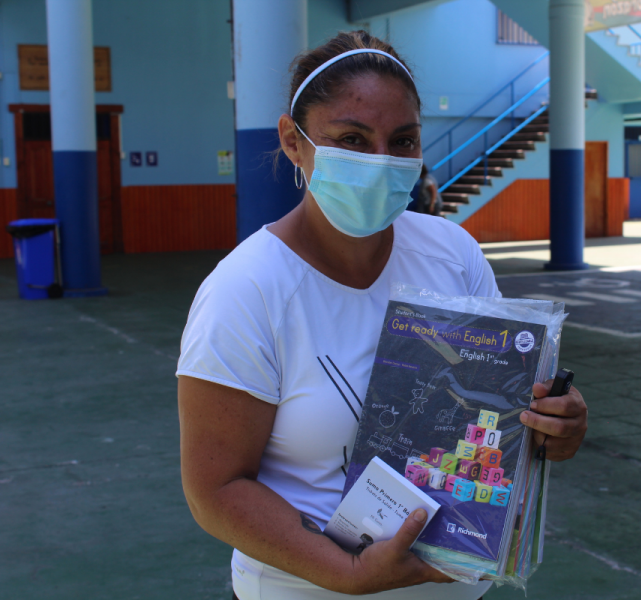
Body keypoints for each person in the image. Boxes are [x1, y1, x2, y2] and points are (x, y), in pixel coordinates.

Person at [177, 31, 587, 600]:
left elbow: (495, 419)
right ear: (293, 143)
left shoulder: (453, 254)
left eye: (402, 141)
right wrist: (343, 572)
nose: (381, 163)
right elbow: (216, 489)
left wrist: (550, 426)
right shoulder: (247, 290)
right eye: (350, 138)